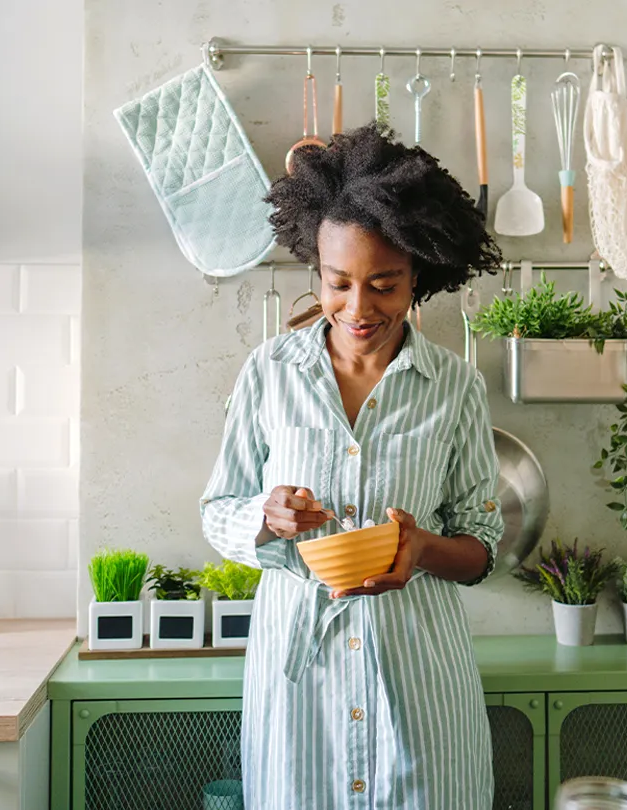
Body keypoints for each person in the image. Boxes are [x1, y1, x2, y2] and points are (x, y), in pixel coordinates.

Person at [200, 123, 505, 810]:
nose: (359, 308)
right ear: (316, 271)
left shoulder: (454, 387)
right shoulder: (269, 374)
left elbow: (483, 549)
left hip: (420, 691)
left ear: (419, 275)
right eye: (339, 284)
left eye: (385, 284)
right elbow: (218, 511)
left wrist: (422, 548)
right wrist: (266, 516)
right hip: (300, 693)